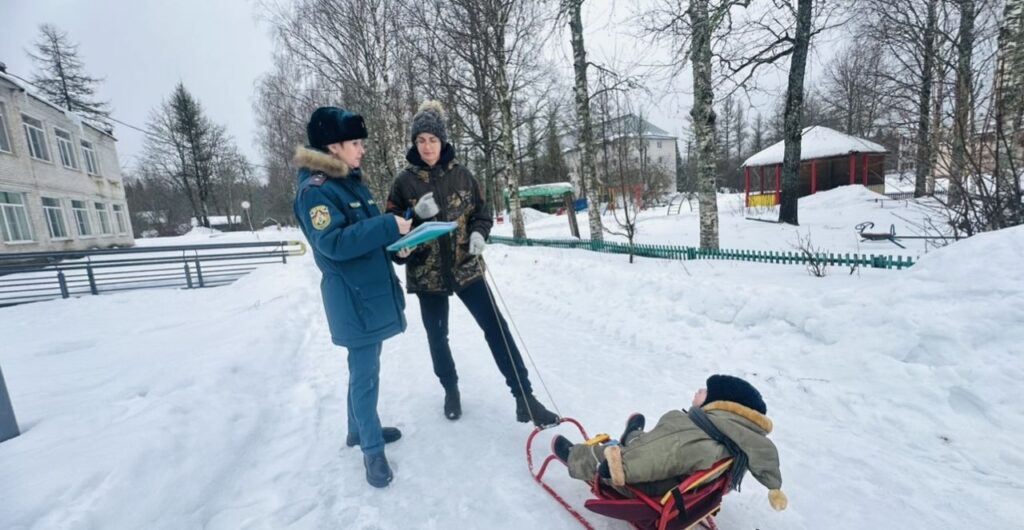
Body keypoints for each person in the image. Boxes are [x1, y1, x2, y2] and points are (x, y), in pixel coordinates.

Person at [386, 100, 558, 427]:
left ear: (442, 141)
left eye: (432, 139)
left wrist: (479, 234)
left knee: (496, 327)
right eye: (420, 140)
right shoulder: (403, 183)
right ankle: (450, 390)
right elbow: (392, 233)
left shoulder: (463, 176)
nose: (426, 146)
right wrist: (412, 218)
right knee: (438, 337)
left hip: (466, 266)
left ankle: (524, 397)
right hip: (427, 274)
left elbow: (482, 213)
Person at [293, 106, 414, 488]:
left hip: (368, 293)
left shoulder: (349, 183)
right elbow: (334, 242)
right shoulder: (316, 191)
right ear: (334, 146)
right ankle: (371, 449)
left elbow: (366, 235)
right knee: (365, 375)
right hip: (352, 298)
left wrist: (398, 245)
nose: (362, 149)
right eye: (356, 143)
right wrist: (387, 225)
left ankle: (356, 429)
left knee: (364, 367)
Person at [551, 374, 788, 511]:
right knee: (652, 442)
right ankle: (633, 436)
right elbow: (663, 452)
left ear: (720, 404)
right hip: (683, 487)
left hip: (652, 489)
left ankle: (576, 457)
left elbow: (650, 457)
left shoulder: (690, 432)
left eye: (706, 391)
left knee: (616, 453)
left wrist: (616, 467)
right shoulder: (736, 440)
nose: (699, 390)